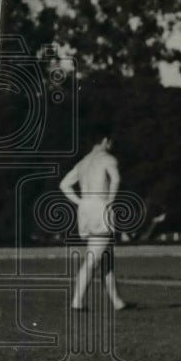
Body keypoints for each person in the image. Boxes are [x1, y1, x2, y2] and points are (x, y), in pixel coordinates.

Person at [58, 124, 128, 312]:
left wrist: (80, 202)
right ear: (105, 140)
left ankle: (117, 302)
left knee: (105, 256)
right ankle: (77, 302)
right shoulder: (107, 158)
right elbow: (116, 179)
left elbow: (64, 184)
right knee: (94, 257)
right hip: (100, 207)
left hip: (86, 209)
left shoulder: (83, 162)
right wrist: (110, 202)